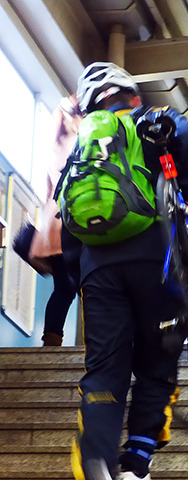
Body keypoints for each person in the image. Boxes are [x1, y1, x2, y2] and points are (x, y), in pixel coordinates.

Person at [65, 62, 188, 480]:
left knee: (104, 369)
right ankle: (137, 461)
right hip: (155, 255)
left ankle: (97, 464)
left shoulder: (85, 149)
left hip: (98, 266)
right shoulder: (152, 120)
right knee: (157, 356)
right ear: (133, 96)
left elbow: (66, 217)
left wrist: (81, 277)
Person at [30, 95, 82, 346]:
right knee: (79, 285)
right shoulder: (79, 143)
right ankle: (87, 342)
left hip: (54, 224)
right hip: (71, 222)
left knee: (64, 286)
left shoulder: (55, 145)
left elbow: (45, 190)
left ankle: (52, 340)